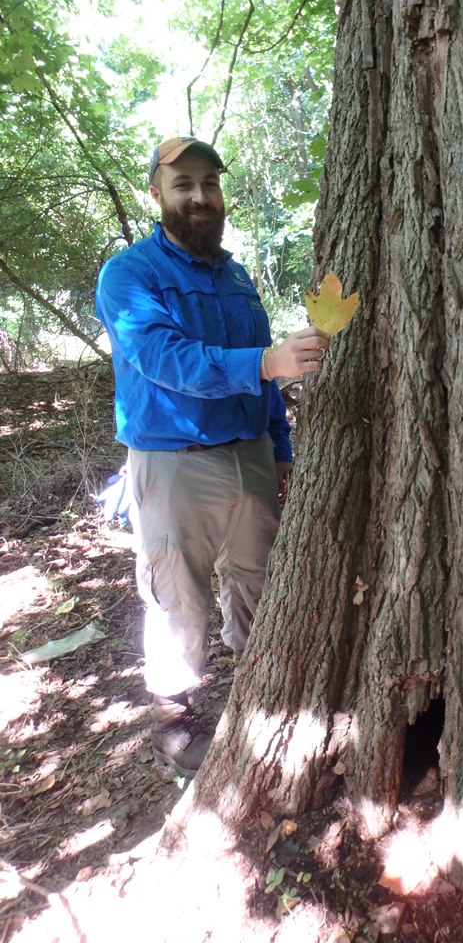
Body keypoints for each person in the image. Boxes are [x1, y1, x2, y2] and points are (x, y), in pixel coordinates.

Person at [95, 135, 330, 777]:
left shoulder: (237, 277)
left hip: (250, 455)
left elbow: (267, 380)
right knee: (179, 594)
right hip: (172, 461)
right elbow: (163, 359)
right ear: (157, 194)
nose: (200, 197)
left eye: (209, 183)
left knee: (259, 580)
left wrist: (279, 447)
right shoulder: (129, 275)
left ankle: (263, 697)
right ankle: (178, 727)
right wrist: (265, 362)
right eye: (184, 185)